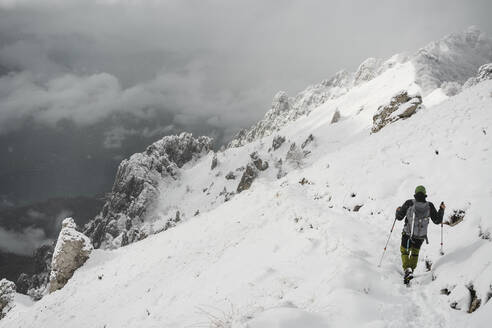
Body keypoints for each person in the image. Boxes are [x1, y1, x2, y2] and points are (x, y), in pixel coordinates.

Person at [395, 185, 445, 284]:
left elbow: (399, 217)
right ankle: (411, 270)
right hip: (421, 236)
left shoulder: (409, 203)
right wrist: (441, 209)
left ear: (415, 193)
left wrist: (397, 211)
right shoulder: (429, 205)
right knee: (415, 252)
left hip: (408, 233)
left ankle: (407, 270)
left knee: (404, 251)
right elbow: (437, 220)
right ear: (425, 194)